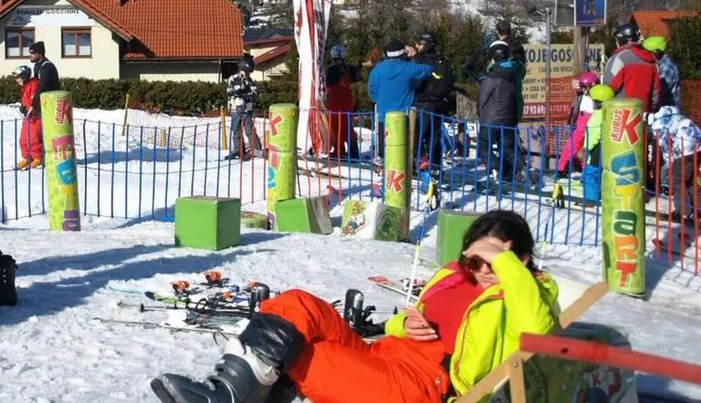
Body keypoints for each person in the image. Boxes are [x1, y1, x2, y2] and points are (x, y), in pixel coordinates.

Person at [150, 210, 558, 403]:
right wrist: (403, 326)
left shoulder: (532, 291)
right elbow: (401, 322)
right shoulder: (453, 274)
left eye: (495, 260)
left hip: (423, 383)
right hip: (384, 353)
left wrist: (504, 265)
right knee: (297, 305)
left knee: (309, 356)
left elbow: (538, 333)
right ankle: (224, 393)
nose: (481, 269)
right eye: (475, 259)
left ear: (520, 259)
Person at [367, 40, 432, 161]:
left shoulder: (376, 71)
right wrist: (416, 55)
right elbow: (428, 70)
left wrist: (381, 101)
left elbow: (372, 93)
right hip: (407, 118)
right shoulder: (409, 68)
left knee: (387, 154)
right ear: (403, 53)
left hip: (384, 118)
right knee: (410, 152)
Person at [647, 104, 701, 226]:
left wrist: (671, 163)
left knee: (677, 180)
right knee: (691, 180)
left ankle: (683, 211)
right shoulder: (679, 118)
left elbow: (665, 146)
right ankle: (698, 207)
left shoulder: (659, 124)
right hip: (698, 148)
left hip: (685, 150)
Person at [478, 44, 522, 182]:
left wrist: (481, 112)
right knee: (507, 148)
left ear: (493, 58)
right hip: (508, 117)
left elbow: (482, 98)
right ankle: (521, 167)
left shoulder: (491, 76)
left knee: (484, 146)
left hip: (490, 119)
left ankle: (494, 166)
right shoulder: (514, 73)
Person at [412, 31, 455, 172]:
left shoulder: (421, 60)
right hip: (438, 103)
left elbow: (417, 83)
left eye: (419, 43)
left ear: (426, 44)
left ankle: (418, 167)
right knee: (434, 138)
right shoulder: (441, 59)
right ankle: (436, 169)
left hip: (423, 101)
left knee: (418, 137)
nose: (416, 46)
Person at [603, 21, 659, 112]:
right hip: (643, 114)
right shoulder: (651, 60)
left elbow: (608, 89)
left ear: (622, 39)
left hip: (620, 116)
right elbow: (656, 93)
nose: (616, 43)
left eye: (616, 40)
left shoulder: (619, 59)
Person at [557, 71, 600, 176]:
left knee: (587, 146)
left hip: (591, 118)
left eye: (585, 87)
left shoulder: (596, 96)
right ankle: (561, 169)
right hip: (581, 118)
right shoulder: (582, 95)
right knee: (572, 144)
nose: (583, 90)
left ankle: (585, 170)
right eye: (582, 87)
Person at [325, 44, 359, 159]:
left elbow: (328, 85)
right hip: (347, 102)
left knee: (335, 127)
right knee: (347, 127)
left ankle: (339, 150)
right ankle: (353, 150)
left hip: (334, 103)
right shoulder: (351, 69)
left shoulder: (331, 70)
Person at [225, 56, 262, 160]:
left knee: (249, 130)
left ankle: (257, 150)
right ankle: (238, 149)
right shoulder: (233, 78)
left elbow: (254, 91)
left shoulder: (249, 80)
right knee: (236, 130)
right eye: (246, 72)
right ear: (241, 69)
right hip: (235, 108)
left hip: (247, 109)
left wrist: (247, 92)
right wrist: (239, 92)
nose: (248, 74)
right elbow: (229, 92)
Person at [14, 65, 43, 170]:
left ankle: (38, 158)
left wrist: (31, 108)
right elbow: (26, 99)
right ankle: (27, 157)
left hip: (35, 117)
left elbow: (35, 99)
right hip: (27, 116)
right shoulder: (26, 86)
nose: (17, 80)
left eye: (18, 77)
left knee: (34, 138)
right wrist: (23, 106)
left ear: (24, 76)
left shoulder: (34, 84)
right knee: (23, 139)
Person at [642, 35, 681, 109]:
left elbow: (659, 92)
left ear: (656, 52)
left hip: (666, 110)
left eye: (647, 51)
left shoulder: (666, 67)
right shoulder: (657, 64)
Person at [28, 41, 60, 117]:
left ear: (40, 53)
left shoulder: (47, 67)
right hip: (43, 103)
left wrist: (33, 105)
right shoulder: (37, 66)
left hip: (52, 104)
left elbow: (41, 86)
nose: (30, 55)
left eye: (32, 53)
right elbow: (35, 84)